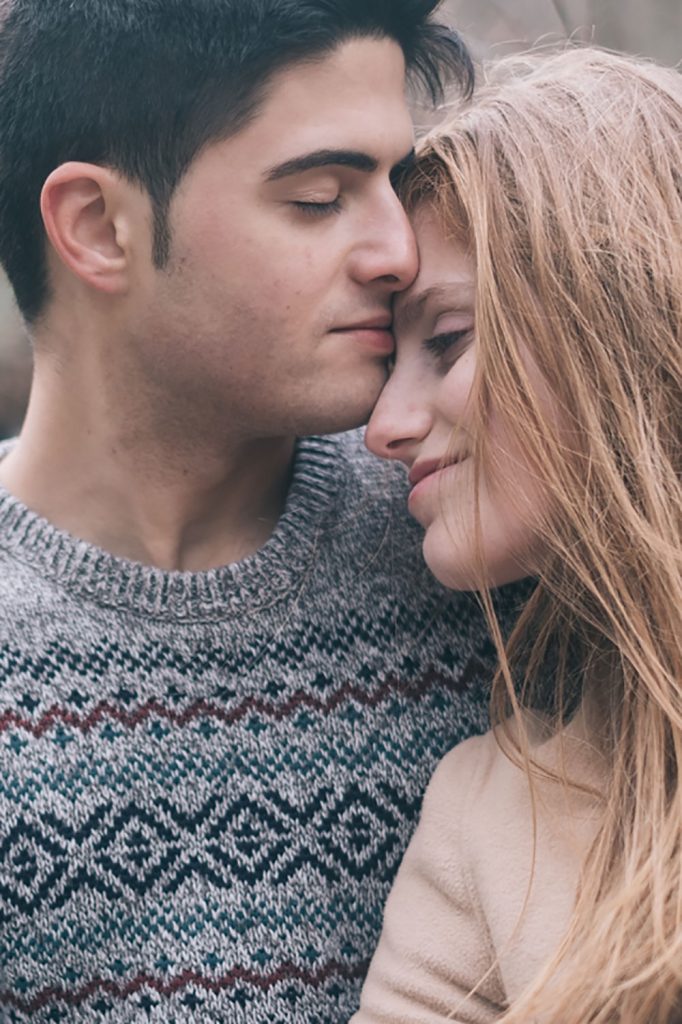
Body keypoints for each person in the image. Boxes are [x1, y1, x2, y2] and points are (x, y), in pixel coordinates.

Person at [0, 2, 505, 1021]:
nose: (398, 252)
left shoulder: (477, 536)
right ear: (99, 226)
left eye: (395, 190)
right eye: (320, 198)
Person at [353, 46, 682, 1024]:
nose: (382, 428)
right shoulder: (496, 813)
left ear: (618, 319)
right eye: (386, 362)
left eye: (446, 341)